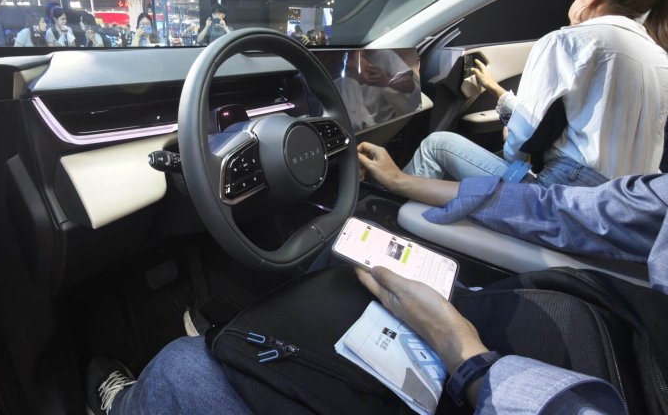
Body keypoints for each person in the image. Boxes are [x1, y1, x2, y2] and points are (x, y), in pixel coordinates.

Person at [86, 138, 667, 414]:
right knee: (348, 270)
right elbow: (566, 210)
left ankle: (128, 405)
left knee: (183, 369)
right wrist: (401, 183)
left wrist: (464, 353)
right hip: (608, 334)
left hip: (524, 387)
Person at [405, 0, 668, 187]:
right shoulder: (660, 59)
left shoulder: (569, 41)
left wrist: (512, 149)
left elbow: (526, 133)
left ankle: (392, 215)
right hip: (628, 197)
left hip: (564, 191)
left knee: (437, 145)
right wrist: (497, 91)